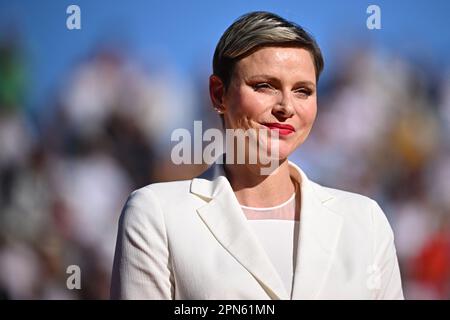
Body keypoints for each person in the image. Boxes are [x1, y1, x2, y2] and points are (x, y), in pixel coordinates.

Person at [110, 11, 404, 300]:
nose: (286, 107)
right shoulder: (157, 214)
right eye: (264, 86)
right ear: (218, 94)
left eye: (303, 90)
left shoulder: (366, 222)